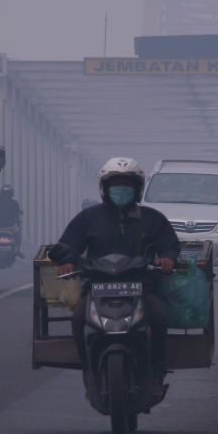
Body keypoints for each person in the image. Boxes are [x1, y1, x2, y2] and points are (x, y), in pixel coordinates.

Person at [49, 157, 179, 382]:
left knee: (158, 316)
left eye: (127, 185)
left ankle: (157, 366)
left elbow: (169, 244)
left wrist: (167, 258)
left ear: (137, 189)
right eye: (116, 184)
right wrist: (68, 261)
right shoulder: (88, 218)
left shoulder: (152, 219)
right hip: (96, 287)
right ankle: (88, 369)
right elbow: (68, 245)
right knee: (79, 318)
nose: (121, 189)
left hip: (142, 287)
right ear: (104, 188)